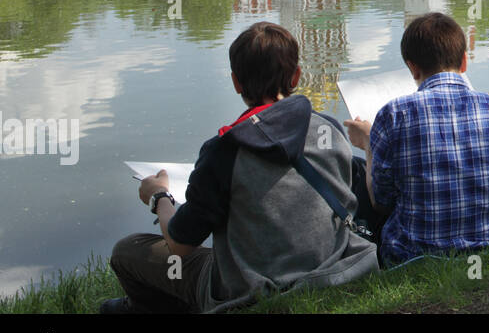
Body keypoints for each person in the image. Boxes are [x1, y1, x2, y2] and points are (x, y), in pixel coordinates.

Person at [104, 22, 378, 313]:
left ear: (236, 82)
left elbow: (179, 245)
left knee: (127, 251)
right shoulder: (329, 130)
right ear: (297, 76)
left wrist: (159, 196)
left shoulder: (223, 151)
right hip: (334, 267)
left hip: (252, 288)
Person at [344, 13, 489, 265]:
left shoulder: (392, 114)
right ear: (464, 62)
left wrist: (369, 144)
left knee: (360, 172)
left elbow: (381, 203)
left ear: (412, 68)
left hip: (413, 256)